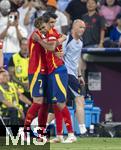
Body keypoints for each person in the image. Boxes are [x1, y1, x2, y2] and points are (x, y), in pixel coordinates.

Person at [35, 12, 77, 143]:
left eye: (54, 22)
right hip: (52, 71)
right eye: (51, 23)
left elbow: (52, 47)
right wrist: (61, 40)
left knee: (60, 102)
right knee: (56, 103)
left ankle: (71, 134)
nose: (53, 25)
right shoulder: (49, 33)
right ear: (45, 23)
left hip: (58, 71)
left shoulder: (51, 33)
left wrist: (42, 41)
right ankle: (59, 135)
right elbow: (63, 37)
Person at [63, 19, 87, 135]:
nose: (82, 30)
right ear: (74, 27)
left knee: (61, 104)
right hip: (66, 74)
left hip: (73, 74)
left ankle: (41, 125)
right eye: (80, 27)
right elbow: (59, 57)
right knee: (80, 99)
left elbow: (76, 60)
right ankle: (83, 130)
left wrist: (79, 75)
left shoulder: (80, 42)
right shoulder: (67, 40)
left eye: (83, 28)